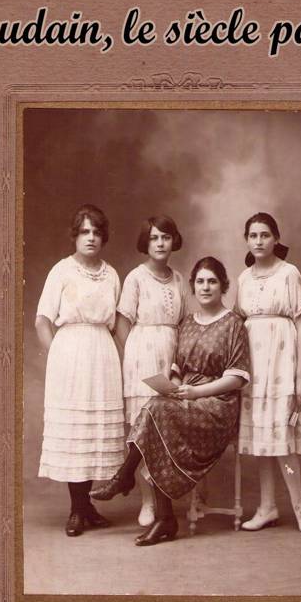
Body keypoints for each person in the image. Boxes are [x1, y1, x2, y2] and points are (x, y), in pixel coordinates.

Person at [91, 257, 250, 546]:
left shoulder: (234, 324)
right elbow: (177, 368)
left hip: (217, 404)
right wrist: (174, 387)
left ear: (223, 286)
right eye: (200, 282)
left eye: (212, 281)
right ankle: (162, 516)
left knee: (157, 411)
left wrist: (196, 393)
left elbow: (237, 378)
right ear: (193, 287)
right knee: (158, 408)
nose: (205, 287)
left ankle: (128, 480)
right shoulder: (187, 323)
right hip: (186, 399)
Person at [35, 204, 125, 536]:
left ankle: (86, 506)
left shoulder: (111, 274)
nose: (91, 238)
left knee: (93, 431)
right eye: (85, 231)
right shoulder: (61, 271)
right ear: (75, 235)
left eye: (97, 232)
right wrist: (56, 355)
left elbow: (117, 324)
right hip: (70, 353)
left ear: (104, 237)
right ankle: (77, 509)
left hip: (102, 353)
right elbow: (42, 320)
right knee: (75, 430)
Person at [236, 212, 301, 534]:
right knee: (262, 439)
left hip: (282, 363)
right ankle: (267, 507)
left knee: (282, 439)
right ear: (246, 240)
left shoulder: (289, 273)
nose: (259, 241)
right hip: (254, 367)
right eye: (253, 235)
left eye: (265, 235)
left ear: (276, 239)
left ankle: (299, 505)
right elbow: (238, 325)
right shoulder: (243, 278)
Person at [115, 216, 188, 527]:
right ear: (146, 242)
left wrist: (176, 364)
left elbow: (183, 324)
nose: (160, 243)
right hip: (141, 357)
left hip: (170, 355)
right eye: (155, 237)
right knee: (142, 429)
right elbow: (122, 325)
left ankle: (163, 500)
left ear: (174, 241)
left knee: (165, 430)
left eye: (166, 237)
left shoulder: (179, 279)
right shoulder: (136, 278)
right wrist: (136, 359)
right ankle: (147, 502)